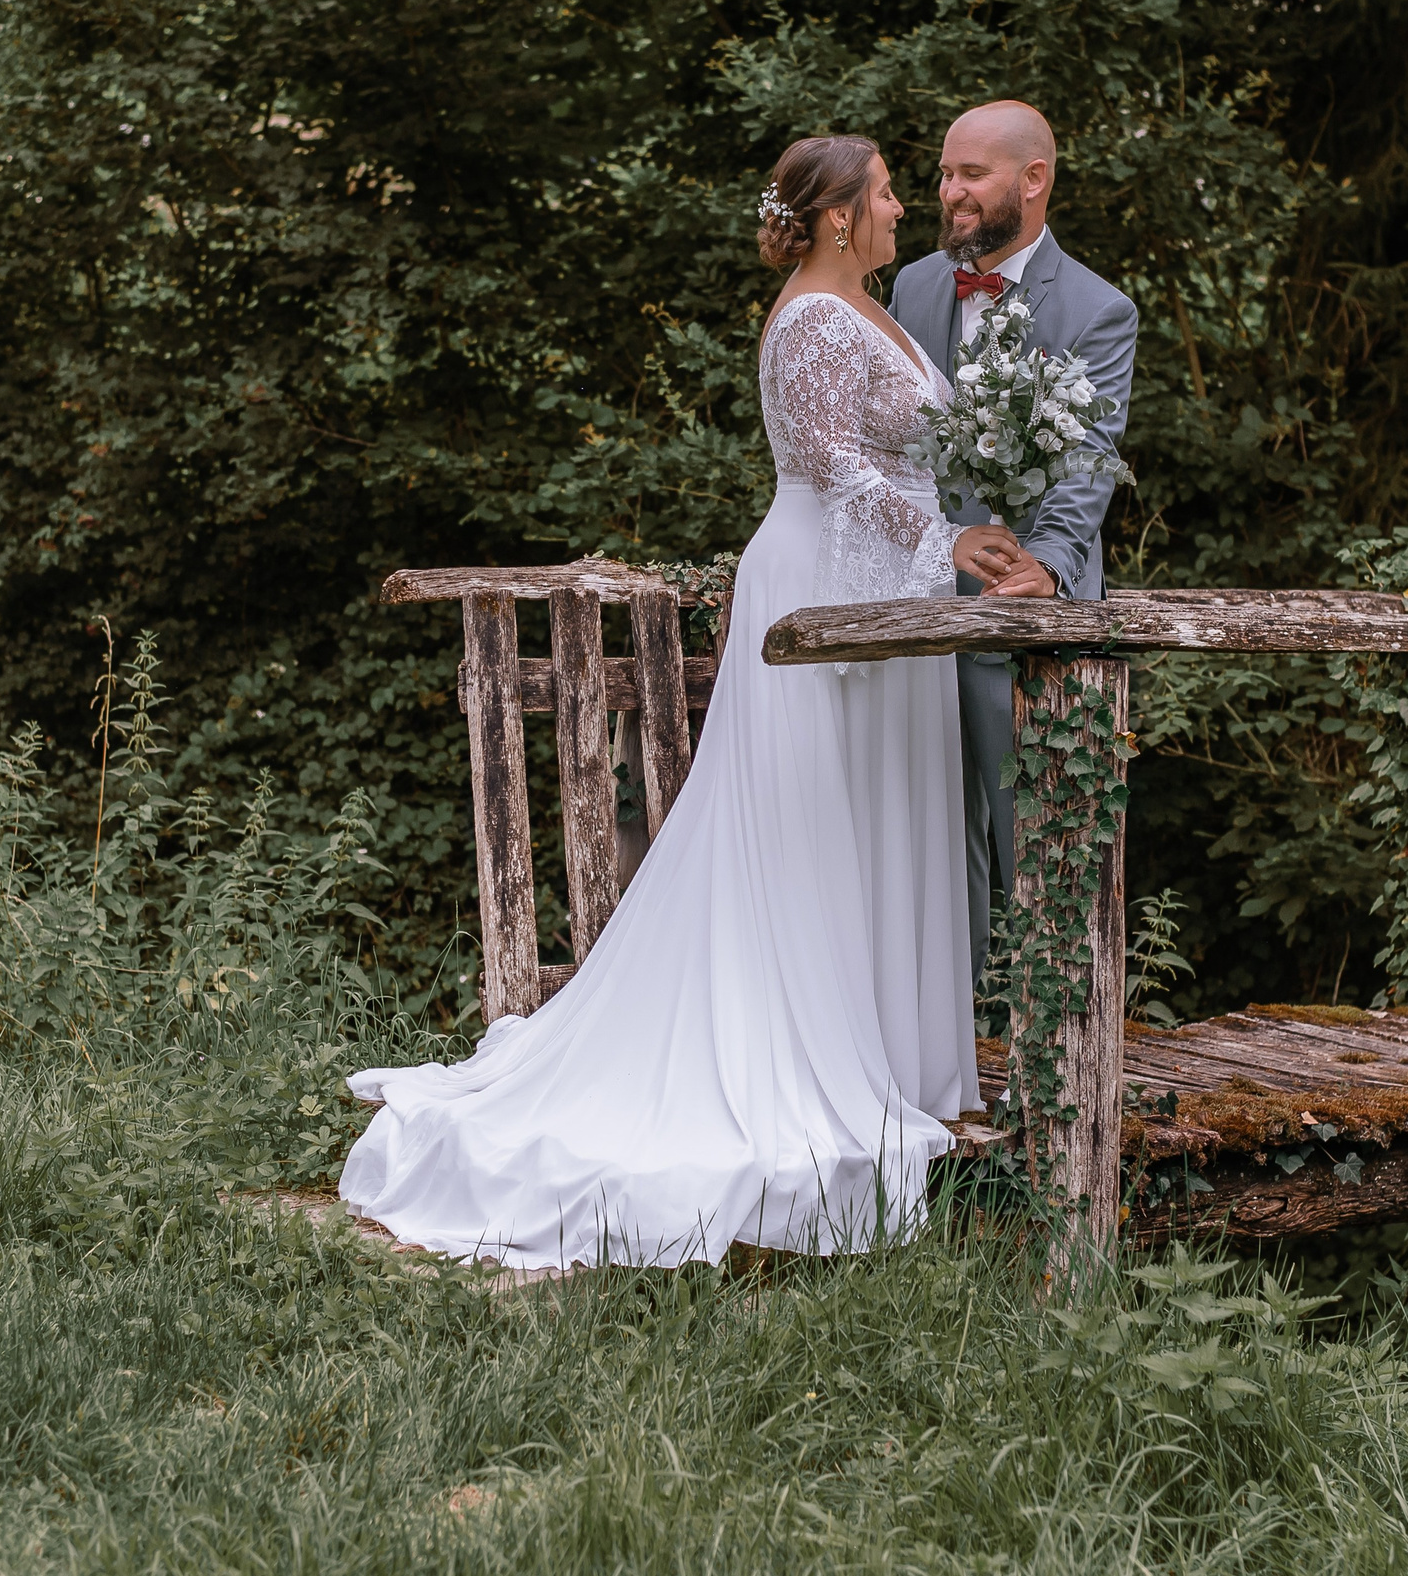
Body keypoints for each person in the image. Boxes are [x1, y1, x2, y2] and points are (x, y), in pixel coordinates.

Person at [337, 136, 1025, 1270]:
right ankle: (810, 1057)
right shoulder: (810, 320)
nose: (905, 205)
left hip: (887, 588)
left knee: (879, 816)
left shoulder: (873, 307)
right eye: (888, 191)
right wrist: (943, 539)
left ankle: (899, 1062)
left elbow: (899, 458)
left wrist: (957, 529)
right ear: (840, 217)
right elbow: (835, 468)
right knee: (812, 829)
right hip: (820, 585)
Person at [888, 101, 1140, 984]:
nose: (949, 191)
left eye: (972, 174)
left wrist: (1052, 568)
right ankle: (949, 1040)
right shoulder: (914, 286)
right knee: (930, 857)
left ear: (1034, 180)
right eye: (944, 173)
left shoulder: (1099, 309)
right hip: (920, 616)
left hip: (1028, 620)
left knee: (1044, 852)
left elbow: (1090, 457)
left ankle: (1056, 1042)